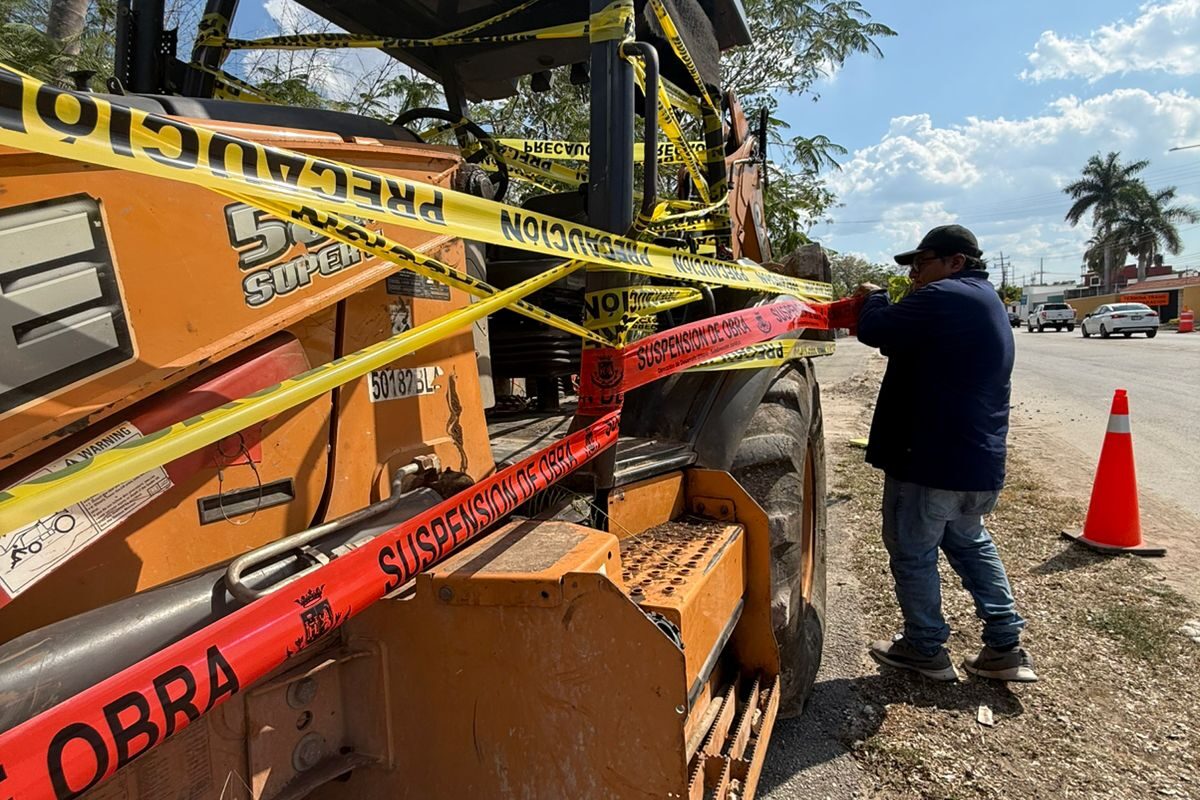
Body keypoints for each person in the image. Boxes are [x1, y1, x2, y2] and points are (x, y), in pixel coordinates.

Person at [854, 224, 1036, 683]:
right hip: (975, 461)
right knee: (970, 543)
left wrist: (873, 296)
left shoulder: (946, 295)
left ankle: (924, 647)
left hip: (929, 460)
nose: (914, 274)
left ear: (956, 262)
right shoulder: (982, 300)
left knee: (913, 553)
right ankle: (1005, 646)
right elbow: (899, 341)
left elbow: (874, 329)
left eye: (922, 263)